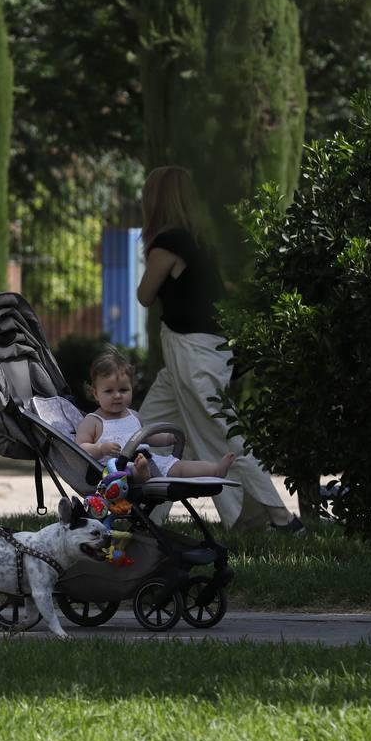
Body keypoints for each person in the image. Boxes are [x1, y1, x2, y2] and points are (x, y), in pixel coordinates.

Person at [136, 166, 303, 533]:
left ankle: (279, 518)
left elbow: (144, 295)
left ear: (156, 200)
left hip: (190, 355)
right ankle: (146, 516)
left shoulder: (168, 243)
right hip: (197, 354)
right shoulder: (198, 243)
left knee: (221, 436)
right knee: (149, 431)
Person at [75, 348, 234, 482]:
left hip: (148, 459)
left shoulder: (134, 416)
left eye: (123, 390)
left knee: (178, 467)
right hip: (116, 470)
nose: (117, 396)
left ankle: (215, 470)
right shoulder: (93, 421)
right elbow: (80, 447)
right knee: (133, 470)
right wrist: (100, 448)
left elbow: (147, 438)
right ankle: (141, 474)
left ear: (132, 388)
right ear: (95, 393)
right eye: (109, 391)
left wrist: (170, 438)